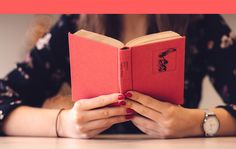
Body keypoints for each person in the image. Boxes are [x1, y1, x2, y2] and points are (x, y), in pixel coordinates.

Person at [0, 14, 236, 138]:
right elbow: (3, 97)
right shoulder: (73, 24)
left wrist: (196, 123)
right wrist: (64, 124)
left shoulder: (201, 20)